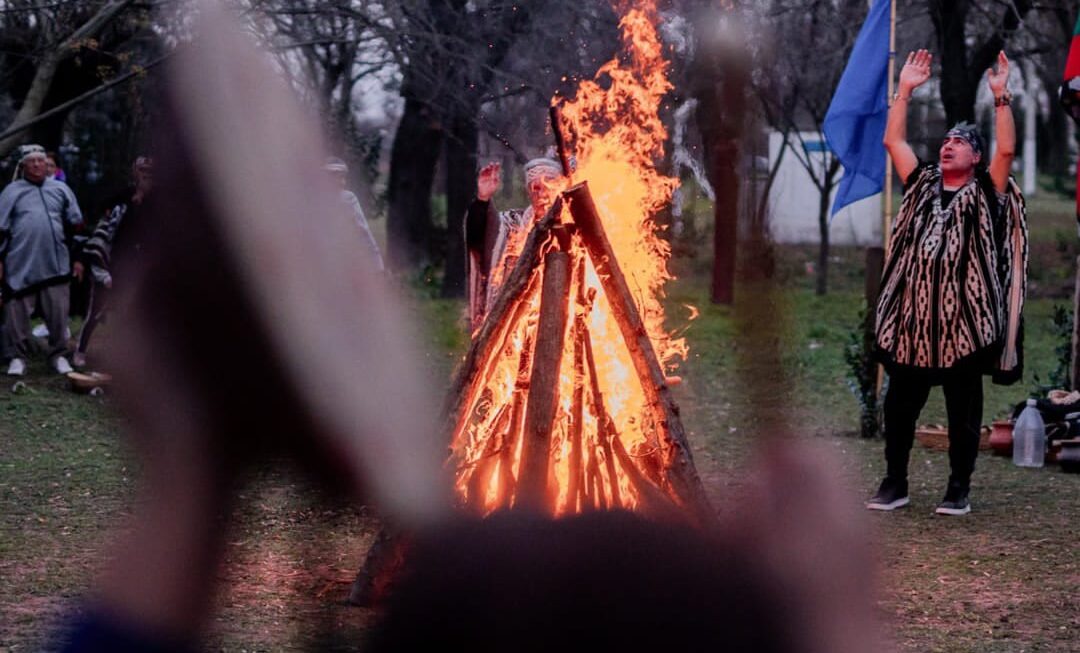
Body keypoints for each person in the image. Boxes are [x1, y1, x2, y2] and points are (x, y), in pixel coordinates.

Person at [868, 50, 1027, 516]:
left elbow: (1007, 150)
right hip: (912, 326)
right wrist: (905, 91)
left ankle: (958, 488)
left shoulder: (986, 192)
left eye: (960, 142)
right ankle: (894, 482)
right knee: (899, 410)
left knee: (963, 414)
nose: (949, 145)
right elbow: (893, 140)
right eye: (946, 140)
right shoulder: (920, 184)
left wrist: (1001, 98)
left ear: (975, 157)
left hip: (964, 325)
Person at [0, 144, 84, 375]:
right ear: (23, 165)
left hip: (55, 262)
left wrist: (77, 258)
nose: (37, 165)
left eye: (41, 161)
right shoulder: (11, 192)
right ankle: (18, 356)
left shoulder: (61, 189)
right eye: (32, 161)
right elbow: (1, 229)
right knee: (16, 313)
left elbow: (74, 225)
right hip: (21, 262)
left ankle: (58, 355)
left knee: (58, 312)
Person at [72, 157, 154, 368]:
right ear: (135, 173)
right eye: (142, 171)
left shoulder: (160, 201)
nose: (146, 176)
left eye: (150, 172)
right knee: (97, 310)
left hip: (140, 265)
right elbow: (103, 226)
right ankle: (80, 351)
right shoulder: (124, 197)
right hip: (116, 261)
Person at [464, 157, 562, 331]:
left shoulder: (570, 229)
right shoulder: (511, 225)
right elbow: (479, 237)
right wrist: (483, 200)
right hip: (512, 325)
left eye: (547, 187)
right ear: (528, 192)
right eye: (535, 188)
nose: (541, 194)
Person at [324, 156, 383, 272]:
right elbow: (362, 229)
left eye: (342, 177)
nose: (342, 181)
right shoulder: (347, 198)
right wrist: (377, 263)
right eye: (339, 177)